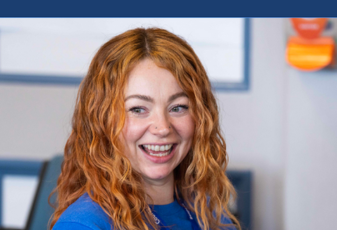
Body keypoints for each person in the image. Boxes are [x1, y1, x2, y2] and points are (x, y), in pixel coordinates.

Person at [51, 27, 241, 230]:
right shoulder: (83, 224)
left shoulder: (210, 213)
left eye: (178, 107)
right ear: (102, 120)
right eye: (138, 109)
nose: (163, 127)